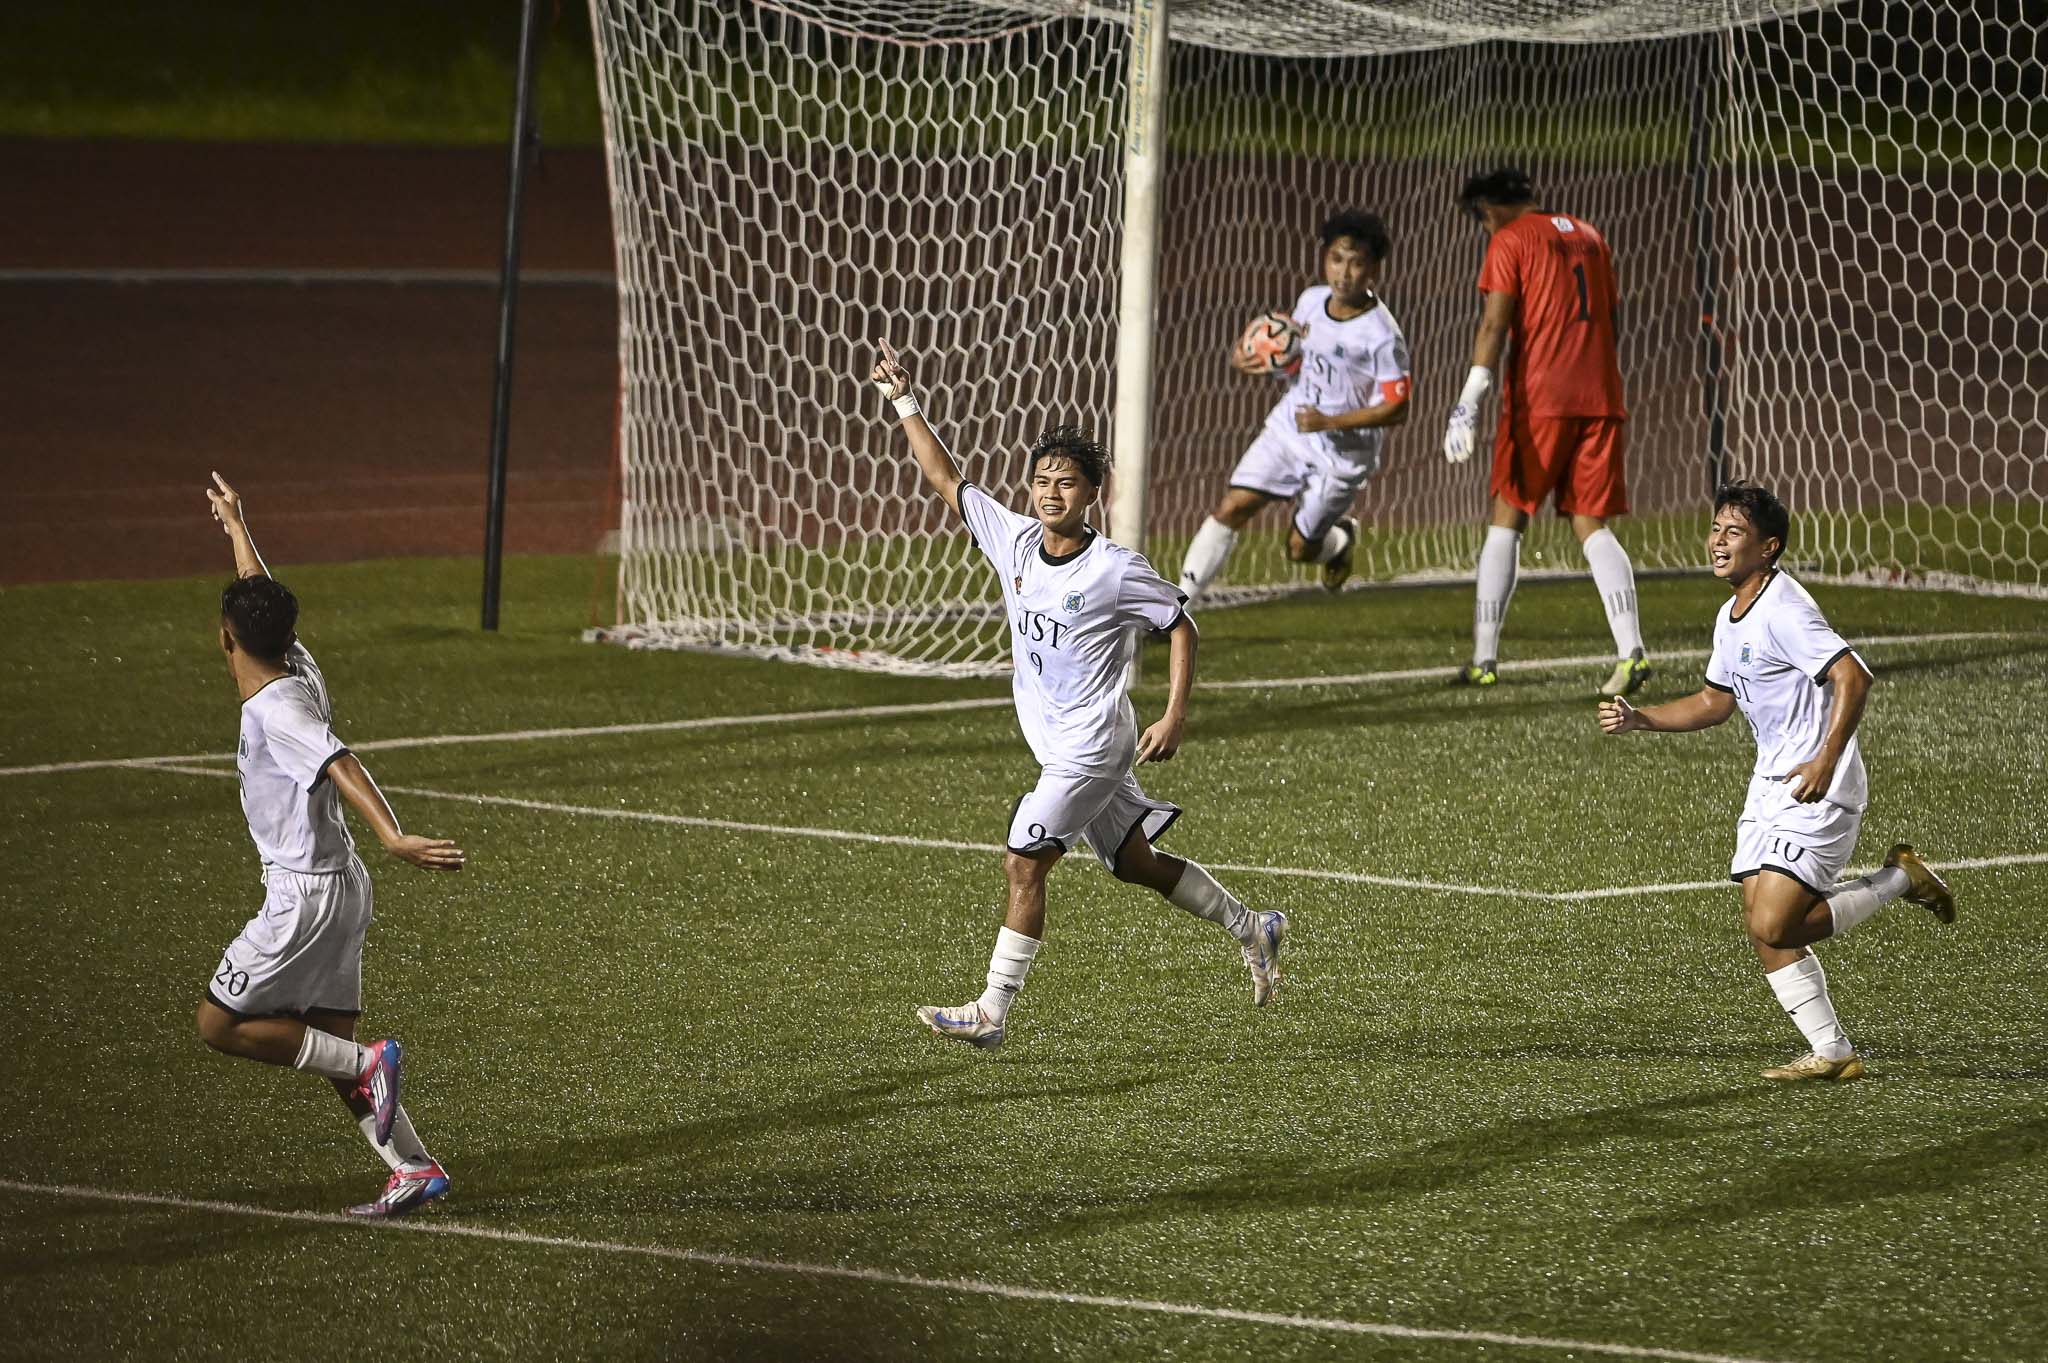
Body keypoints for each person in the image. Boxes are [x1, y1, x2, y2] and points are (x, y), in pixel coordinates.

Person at [868, 345, 1287, 1049]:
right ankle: (1255, 925)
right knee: (1134, 864)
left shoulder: (1115, 570)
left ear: (1091, 492)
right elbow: (945, 477)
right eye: (1040, 481)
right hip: (1063, 744)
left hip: (1094, 744)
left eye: (1065, 482)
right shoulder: (1016, 541)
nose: (1049, 492)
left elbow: (1181, 623)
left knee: (1024, 860)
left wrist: (1174, 714)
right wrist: (904, 401)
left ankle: (992, 1011)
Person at [1598, 481, 1954, 1082]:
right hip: (1770, 785)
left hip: (1820, 786)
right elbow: (1714, 702)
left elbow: (1854, 678)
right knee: (1763, 927)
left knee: (1773, 923)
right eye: (1715, 529)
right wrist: (1642, 719)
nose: (1717, 542)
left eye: (1733, 533)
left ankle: (1899, 879)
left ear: (1768, 548)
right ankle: (1834, 1054)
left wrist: (1823, 760)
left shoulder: (1786, 609)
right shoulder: (1731, 613)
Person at [194, 472, 466, 1214]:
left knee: (220, 1023)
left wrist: (395, 834)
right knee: (328, 1040)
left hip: (304, 894)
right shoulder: (294, 662)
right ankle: (412, 1166)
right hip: (341, 886)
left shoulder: (279, 708)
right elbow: (263, 597)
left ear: (226, 640)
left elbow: (338, 758)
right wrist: (237, 527)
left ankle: (373, 1064)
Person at [1442, 168, 1647, 695]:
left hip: (1540, 402)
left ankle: (1485, 658)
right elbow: (1613, 319)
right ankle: (1632, 651)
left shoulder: (1510, 239)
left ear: (1488, 211)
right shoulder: (1591, 235)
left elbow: (1494, 324)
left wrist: (1469, 400)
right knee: (1590, 522)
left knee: (1507, 518)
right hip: (1601, 397)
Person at [1178, 210, 1411, 601]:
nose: (1344, 273)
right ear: (1325, 259)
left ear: (1374, 269)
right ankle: (1179, 606)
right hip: (1290, 430)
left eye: (1356, 264)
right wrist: (1258, 361)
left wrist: (1331, 421)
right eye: (1336, 260)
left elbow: (1398, 408)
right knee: (1232, 507)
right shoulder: (1310, 301)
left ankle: (1339, 542)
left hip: (1343, 456)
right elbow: (1299, 365)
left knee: (1298, 550)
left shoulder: (1382, 336)